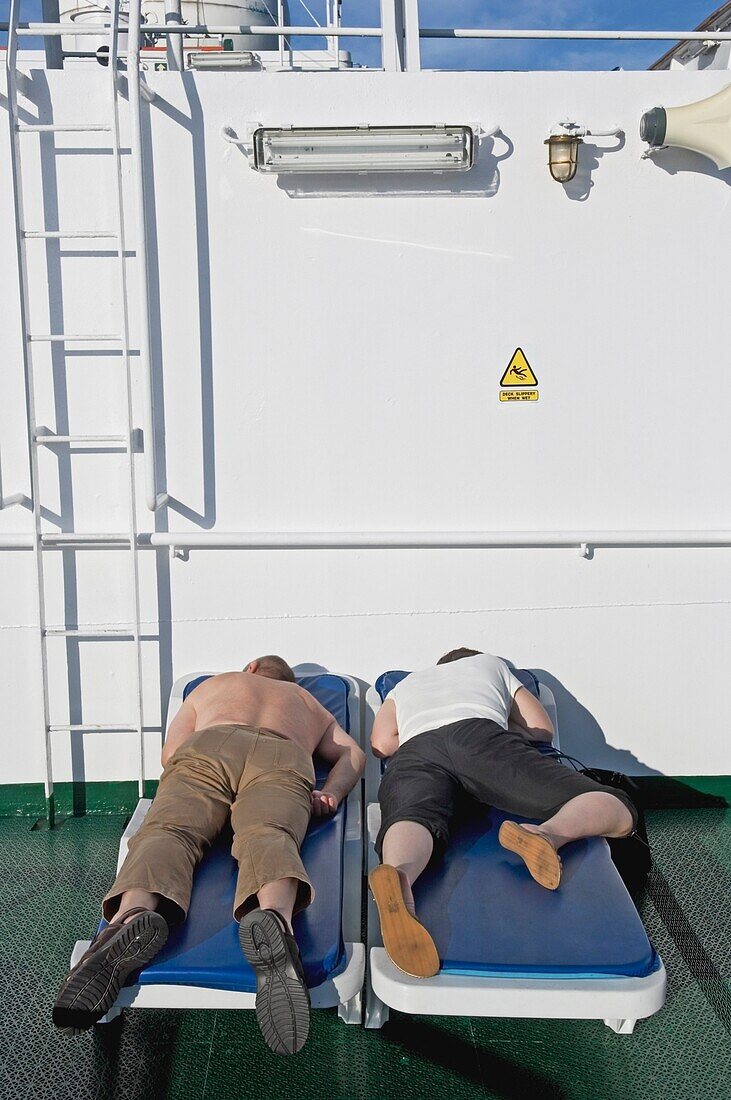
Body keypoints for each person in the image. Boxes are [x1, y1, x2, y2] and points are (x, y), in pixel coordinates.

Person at [53, 656, 365, 1055]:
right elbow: (352, 754)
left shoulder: (216, 684)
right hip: (282, 753)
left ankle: (131, 916)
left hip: (210, 745)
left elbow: (171, 754)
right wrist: (332, 793)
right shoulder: (306, 702)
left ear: (250, 668)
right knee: (270, 834)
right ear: (290, 681)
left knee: (168, 833)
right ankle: (274, 918)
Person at [368, 648, 637, 978]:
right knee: (614, 804)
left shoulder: (405, 685)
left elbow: (380, 743)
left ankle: (399, 875)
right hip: (478, 736)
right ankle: (545, 835)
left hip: (416, 748)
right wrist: (504, 728)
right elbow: (540, 729)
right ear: (472, 658)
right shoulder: (491, 665)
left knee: (413, 814)